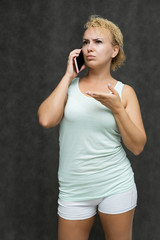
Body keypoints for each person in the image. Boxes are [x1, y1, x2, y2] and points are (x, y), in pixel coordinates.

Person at [38, 15, 147, 240]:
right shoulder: (69, 87)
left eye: (98, 42)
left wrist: (117, 108)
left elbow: (137, 146)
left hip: (115, 185)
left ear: (114, 50)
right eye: (86, 42)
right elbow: (46, 120)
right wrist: (68, 75)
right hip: (74, 190)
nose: (89, 48)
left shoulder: (125, 93)